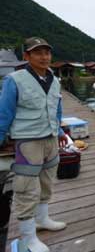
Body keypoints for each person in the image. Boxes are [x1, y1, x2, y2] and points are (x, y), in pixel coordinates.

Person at [0, 37, 68, 252]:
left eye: (47, 52)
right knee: (26, 189)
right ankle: (28, 237)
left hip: (50, 139)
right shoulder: (14, 79)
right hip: (28, 141)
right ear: (26, 56)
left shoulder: (54, 80)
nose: (44, 57)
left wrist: (60, 130)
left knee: (47, 182)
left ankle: (42, 219)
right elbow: (4, 113)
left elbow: (56, 107)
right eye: (37, 52)